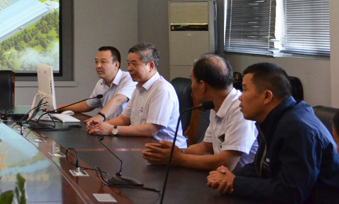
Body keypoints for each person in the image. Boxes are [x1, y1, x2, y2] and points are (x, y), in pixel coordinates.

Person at [207, 63, 339, 204]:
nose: (240, 97)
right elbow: (262, 168)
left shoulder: (297, 129)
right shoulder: (275, 119)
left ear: (267, 96)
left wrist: (235, 182)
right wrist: (228, 177)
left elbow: (291, 194)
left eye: (244, 90)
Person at [142, 54, 257, 171]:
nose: (191, 87)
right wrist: (175, 152)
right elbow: (206, 146)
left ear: (202, 85)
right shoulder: (216, 104)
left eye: (192, 80)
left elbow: (226, 162)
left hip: (239, 179)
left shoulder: (240, 110)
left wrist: (179, 158)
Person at [88, 43, 186, 149]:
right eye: (128, 64)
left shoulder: (162, 89)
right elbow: (124, 119)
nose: (129, 68)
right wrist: (100, 125)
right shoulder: (138, 88)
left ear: (151, 66)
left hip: (167, 151)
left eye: (134, 64)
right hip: (142, 146)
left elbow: (151, 130)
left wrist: (112, 129)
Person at [57, 46, 135, 128]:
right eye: (96, 62)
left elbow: (118, 100)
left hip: (124, 130)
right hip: (107, 128)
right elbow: (88, 105)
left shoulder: (129, 79)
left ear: (116, 65)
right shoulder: (101, 83)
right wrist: (60, 108)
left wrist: (100, 117)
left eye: (103, 62)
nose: (98, 66)